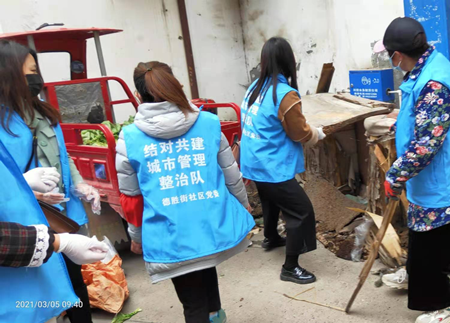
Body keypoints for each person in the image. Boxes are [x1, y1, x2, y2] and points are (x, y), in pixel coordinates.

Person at [116, 61, 254, 323]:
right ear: (175, 87)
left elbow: (131, 197)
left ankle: (210, 315)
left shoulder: (129, 138)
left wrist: (136, 235)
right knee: (205, 262)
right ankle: (215, 315)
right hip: (210, 224)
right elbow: (231, 173)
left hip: (170, 234)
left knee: (192, 302)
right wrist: (243, 203)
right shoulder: (210, 124)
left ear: (137, 96)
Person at [376, 17, 450, 323]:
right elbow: (427, 117)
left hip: (446, 181)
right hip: (438, 177)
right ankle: (415, 275)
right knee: (423, 240)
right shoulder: (431, 63)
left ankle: (444, 304)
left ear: (397, 56)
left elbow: (426, 144)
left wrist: (395, 175)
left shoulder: (434, 83)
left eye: (389, 55)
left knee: (432, 252)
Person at [0, 40, 102, 323]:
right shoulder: (2, 121)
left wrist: (81, 183)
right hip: (25, 223)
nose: (37, 78)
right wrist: (26, 184)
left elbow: (63, 156)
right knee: (40, 289)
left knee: (75, 282)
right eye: (30, 71)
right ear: (9, 73)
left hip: (63, 215)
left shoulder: (44, 111)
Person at [240, 37, 324, 285]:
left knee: (270, 199)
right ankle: (290, 267)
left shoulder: (255, 86)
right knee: (301, 212)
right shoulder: (284, 94)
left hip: (254, 161)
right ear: (289, 61)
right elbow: (299, 132)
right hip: (272, 165)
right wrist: (316, 134)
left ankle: (271, 237)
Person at [0, 139, 108, 323]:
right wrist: (58, 242)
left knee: (73, 284)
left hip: (39, 234)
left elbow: (63, 155)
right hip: (15, 277)